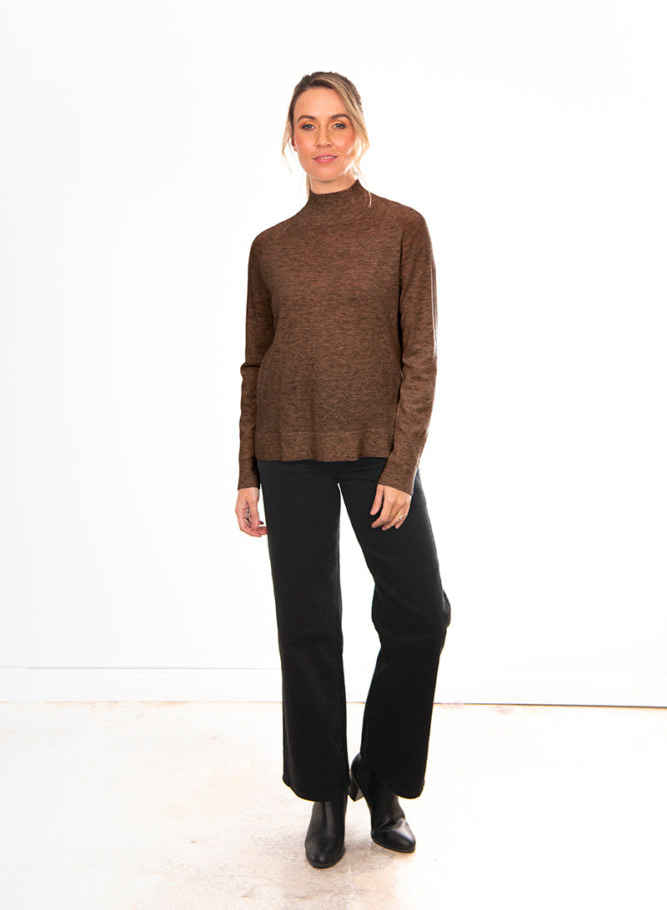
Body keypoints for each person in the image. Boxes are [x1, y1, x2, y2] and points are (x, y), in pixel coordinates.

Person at [235, 71, 451, 869]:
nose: (322, 139)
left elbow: (420, 356)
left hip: (374, 453)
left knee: (419, 615)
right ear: (289, 139)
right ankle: (325, 792)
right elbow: (255, 361)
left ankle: (380, 776)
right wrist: (245, 470)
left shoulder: (401, 229)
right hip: (286, 450)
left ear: (358, 131)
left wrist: (401, 466)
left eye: (336, 123)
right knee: (308, 626)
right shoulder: (269, 248)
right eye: (306, 124)